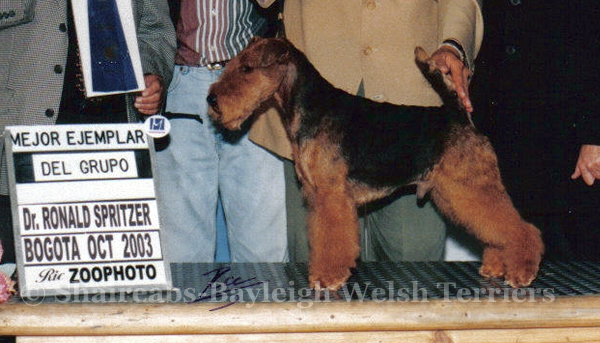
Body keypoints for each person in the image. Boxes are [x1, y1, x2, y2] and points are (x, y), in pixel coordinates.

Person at [249, 0, 484, 262]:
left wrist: (453, 44)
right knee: (317, 279)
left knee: (414, 277)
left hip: (413, 104)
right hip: (311, 92)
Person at [0, 0, 177, 263]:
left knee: (110, 274)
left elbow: (155, 29)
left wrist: (151, 73)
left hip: (113, 133)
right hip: (28, 126)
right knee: (23, 279)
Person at [156, 0, 288, 263]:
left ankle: (263, 303)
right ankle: (186, 304)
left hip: (250, 82)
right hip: (181, 81)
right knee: (180, 243)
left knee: (262, 243)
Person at [472, 0, 600, 260]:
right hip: (503, 129)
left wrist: (594, 135)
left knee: (578, 266)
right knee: (515, 263)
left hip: (571, 138)